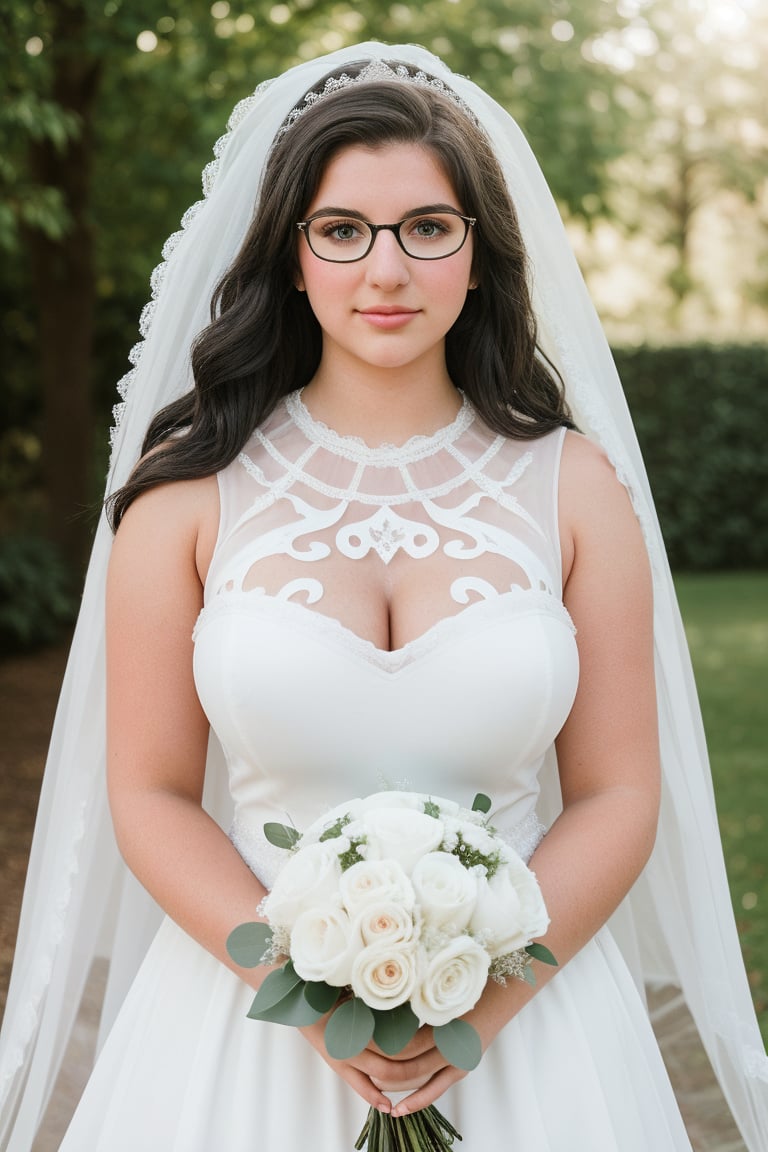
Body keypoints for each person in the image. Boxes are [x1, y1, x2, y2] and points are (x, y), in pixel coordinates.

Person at [0, 42, 766, 1152]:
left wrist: (477, 1008)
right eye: (344, 231)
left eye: (428, 228)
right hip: (242, 1027)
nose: (387, 271)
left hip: (532, 1037)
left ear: (479, 253)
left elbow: (616, 798)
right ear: (294, 257)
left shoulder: (578, 488)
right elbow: (151, 796)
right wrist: (313, 1000)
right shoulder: (185, 494)